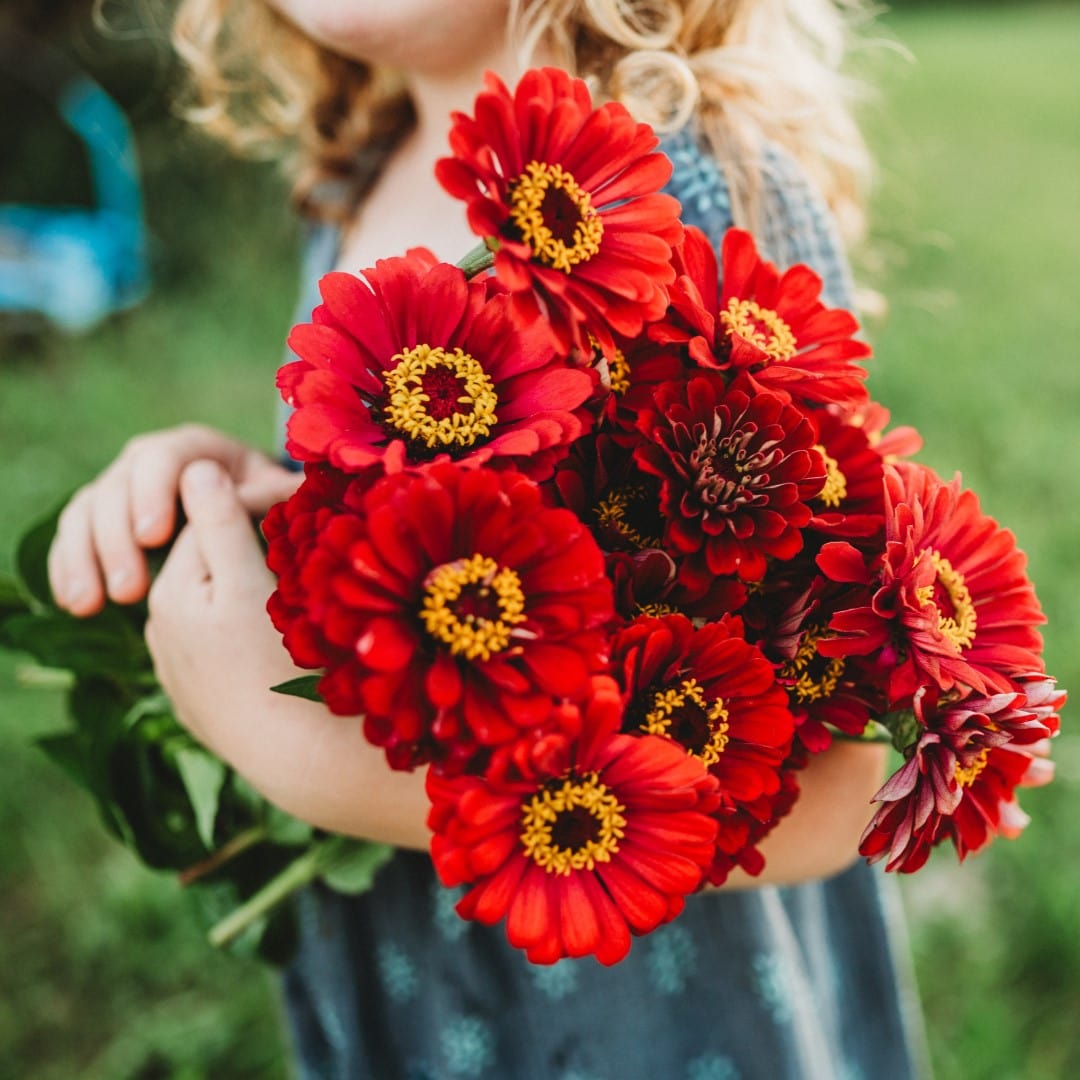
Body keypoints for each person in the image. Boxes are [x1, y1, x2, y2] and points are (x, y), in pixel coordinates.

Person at [51, 1, 929, 1075]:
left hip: (660, 1013)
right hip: (420, 977)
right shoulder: (356, 177)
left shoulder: (688, 181)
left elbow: (837, 790)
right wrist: (259, 495)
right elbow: (393, 508)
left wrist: (306, 760)